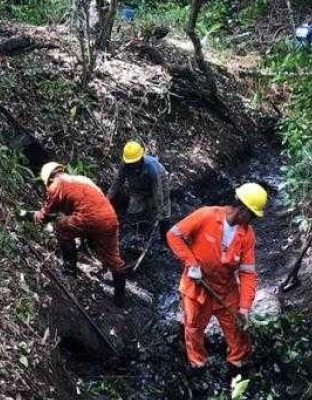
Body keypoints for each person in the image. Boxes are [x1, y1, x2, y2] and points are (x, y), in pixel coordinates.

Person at [166, 182, 267, 369]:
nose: (251, 220)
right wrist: (191, 263)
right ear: (242, 209)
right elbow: (173, 235)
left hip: (226, 290)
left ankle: (237, 366)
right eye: (252, 215)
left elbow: (247, 273)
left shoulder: (247, 235)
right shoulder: (206, 215)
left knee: (238, 330)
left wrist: (244, 308)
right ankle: (198, 365)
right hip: (196, 287)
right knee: (193, 328)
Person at [33, 162, 129, 306]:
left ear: (49, 179)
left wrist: (34, 215)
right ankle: (120, 299)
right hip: (110, 218)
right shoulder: (82, 179)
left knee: (61, 227)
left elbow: (46, 215)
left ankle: (70, 268)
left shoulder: (56, 186)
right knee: (114, 259)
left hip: (90, 218)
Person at [107, 140, 170, 250]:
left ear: (140, 158)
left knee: (162, 214)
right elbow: (117, 182)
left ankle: (165, 241)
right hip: (138, 185)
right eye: (130, 162)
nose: (131, 164)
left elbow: (157, 190)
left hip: (160, 181)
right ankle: (139, 236)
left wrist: (160, 210)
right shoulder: (125, 165)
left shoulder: (151, 167)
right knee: (134, 211)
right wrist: (107, 199)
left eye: (134, 162)